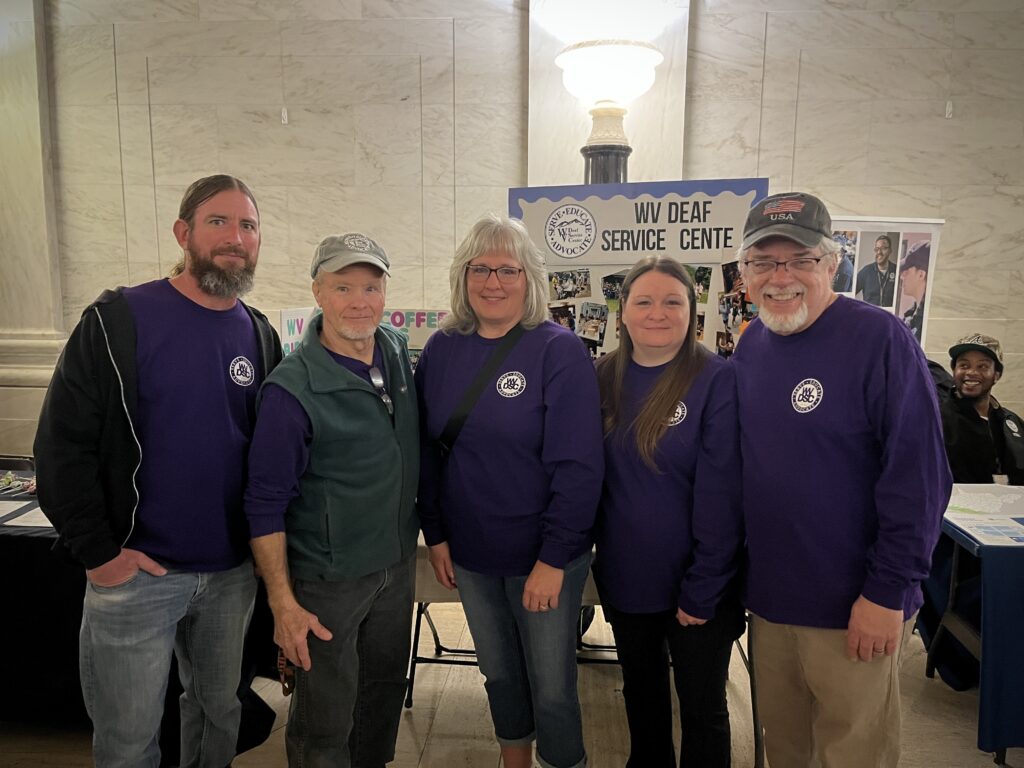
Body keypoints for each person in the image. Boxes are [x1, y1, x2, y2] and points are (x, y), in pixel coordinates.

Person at [33, 174, 282, 768]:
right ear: (183, 232)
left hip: (229, 576)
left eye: (247, 226)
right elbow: (61, 445)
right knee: (128, 740)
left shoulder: (261, 333)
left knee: (219, 715)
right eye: (218, 222)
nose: (235, 237)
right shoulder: (118, 319)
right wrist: (99, 552)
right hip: (138, 574)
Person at [731, 192, 952, 768]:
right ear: (745, 274)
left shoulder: (879, 339)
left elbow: (920, 478)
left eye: (799, 259)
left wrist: (886, 593)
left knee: (853, 752)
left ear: (832, 264)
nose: (781, 277)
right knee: (784, 749)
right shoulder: (752, 344)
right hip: (773, 603)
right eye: (764, 262)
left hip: (856, 605)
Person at [416, 213, 604, 768]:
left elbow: (579, 467)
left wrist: (553, 558)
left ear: (530, 280)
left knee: (551, 686)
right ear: (463, 277)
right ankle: (514, 761)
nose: (493, 282)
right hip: (471, 552)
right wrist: (436, 533)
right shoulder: (442, 349)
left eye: (507, 269)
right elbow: (428, 451)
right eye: (480, 269)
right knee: (497, 672)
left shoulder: (558, 350)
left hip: (543, 555)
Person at [244, 234, 418, 767]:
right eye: (343, 286)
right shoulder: (290, 392)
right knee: (326, 712)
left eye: (371, 285)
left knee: (382, 691)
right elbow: (264, 504)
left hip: (394, 564)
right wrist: (283, 603)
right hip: (330, 579)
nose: (359, 300)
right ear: (318, 291)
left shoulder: (393, 349)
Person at [593, 256, 744, 768]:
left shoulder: (717, 380)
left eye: (673, 301)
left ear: (693, 312)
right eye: (644, 301)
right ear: (623, 312)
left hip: (700, 583)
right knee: (642, 698)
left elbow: (723, 496)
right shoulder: (600, 378)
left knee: (702, 709)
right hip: (627, 575)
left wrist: (704, 586)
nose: (658, 312)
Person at [918, 333, 1024, 689]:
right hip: (954, 541)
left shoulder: (1010, 423)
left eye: (982, 366)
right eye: (964, 365)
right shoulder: (940, 416)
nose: (971, 373)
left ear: (997, 373)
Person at [899, 241, 930, 341]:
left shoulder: (928, 320)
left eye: (906, 271)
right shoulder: (911, 314)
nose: (902, 276)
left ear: (921, 275)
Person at [855, 234, 897, 306]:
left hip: (889, 316)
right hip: (870, 315)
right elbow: (850, 292)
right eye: (877, 249)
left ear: (890, 251)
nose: (879, 252)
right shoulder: (866, 272)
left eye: (883, 248)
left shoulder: (897, 271)